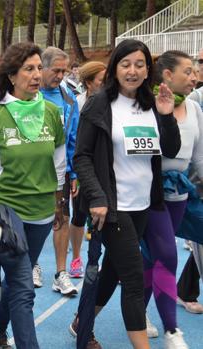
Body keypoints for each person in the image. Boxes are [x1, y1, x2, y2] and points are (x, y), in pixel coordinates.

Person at [70, 39, 181, 349]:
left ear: (148, 70)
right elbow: (82, 156)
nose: (132, 71)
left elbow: (170, 149)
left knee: (113, 270)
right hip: (113, 208)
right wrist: (98, 198)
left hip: (144, 204)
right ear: (115, 69)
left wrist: (167, 115)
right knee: (133, 279)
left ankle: (82, 322)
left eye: (139, 64)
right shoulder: (100, 104)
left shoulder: (151, 104)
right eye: (125, 64)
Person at [0, 42, 66, 349]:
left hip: (42, 211)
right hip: (7, 212)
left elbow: (59, 159)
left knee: (15, 281)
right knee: (24, 288)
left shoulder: (52, 112)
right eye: (29, 69)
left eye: (39, 67)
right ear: (12, 75)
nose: (37, 74)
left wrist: (59, 199)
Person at [140, 50, 201, 349]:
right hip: (149, 193)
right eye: (188, 71)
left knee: (151, 258)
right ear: (167, 75)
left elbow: (199, 157)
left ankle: (137, 311)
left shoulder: (195, 108)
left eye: (195, 71)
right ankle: (172, 331)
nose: (194, 77)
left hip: (180, 192)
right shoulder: (144, 106)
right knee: (168, 255)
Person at [38, 47, 80, 296]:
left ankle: (61, 273)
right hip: (31, 171)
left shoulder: (69, 99)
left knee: (62, 219)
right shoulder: (28, 96)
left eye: (64, 71)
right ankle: (32, 266)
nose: (61, 75)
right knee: (30, 220)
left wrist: (73, 173)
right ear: (42, 67)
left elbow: (73, 138)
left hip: (59, 171)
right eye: (56, 70)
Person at [68, 61, 107, 281]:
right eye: (102, 81)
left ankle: (110, 262)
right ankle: (75, 258)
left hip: (106, 170)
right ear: (89, 82)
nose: (106, 84)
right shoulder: (78, 103)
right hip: (83, 168)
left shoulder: (113, 103)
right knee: (79, 216)